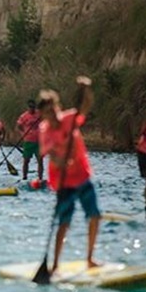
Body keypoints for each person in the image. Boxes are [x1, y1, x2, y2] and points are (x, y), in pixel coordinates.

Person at [38, 77, 100, 273]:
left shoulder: (69, 118)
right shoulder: (45, 130)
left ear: (58, 107)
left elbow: (85, 107)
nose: (52, 115)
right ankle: (55, 264)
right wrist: (62, 162)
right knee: (64, 222)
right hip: (63, 181)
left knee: (94, 216)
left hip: (82, 175)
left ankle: (90, 258)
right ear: (43, 115)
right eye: (47, 113)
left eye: (54, 109)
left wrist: (87, 89)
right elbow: (52, 156)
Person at [15, 99, 42, 181]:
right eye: (30, 107)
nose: (32, 109)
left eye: (33, 107)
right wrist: (22, 134)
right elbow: (18, 126)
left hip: (39, 141)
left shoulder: (40, 114)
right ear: (28, 107)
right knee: (26, 160)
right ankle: (24, 177)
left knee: (40, 160)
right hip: (28, 141)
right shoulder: (24, 116)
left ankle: (40, 178)